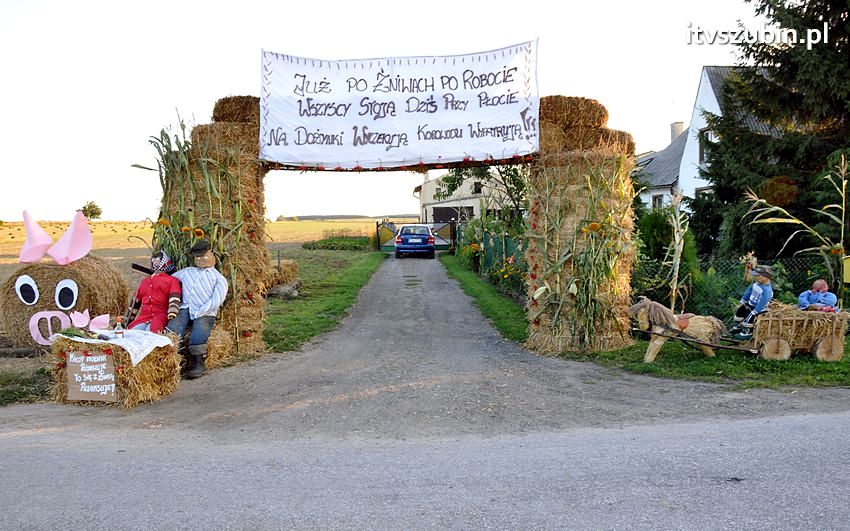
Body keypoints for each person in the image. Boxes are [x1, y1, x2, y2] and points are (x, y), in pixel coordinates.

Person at [166, 240, 228, 379]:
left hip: (205, 309)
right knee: (173, 329)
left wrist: (202, 311)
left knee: (199, 332)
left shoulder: (218, 278)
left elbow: (217, 299)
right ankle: (172, 361)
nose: (200, 259)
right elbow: (170, 280)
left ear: (210, 254)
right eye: (197, 257)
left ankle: (199, 364)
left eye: (202, 256)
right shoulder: (187, 272)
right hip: (186, 306)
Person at [126, 250, 182, 333]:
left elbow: (174, 296)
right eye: (153, 260)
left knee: (151, 334)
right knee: (132, 333)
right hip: (144, 317)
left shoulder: (171, 280)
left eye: (157, 260)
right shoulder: (145, 281)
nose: (155, 262)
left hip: (160, 316)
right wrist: (128, 319)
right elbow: (135, 302)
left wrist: (172, 310)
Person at [731, 264, 774, 338]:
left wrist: (756, 310)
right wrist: (743, 300)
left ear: (766, 277)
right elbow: (749, 291)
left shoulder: (767, 290)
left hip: (759, 308)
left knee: (750, 317)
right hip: (750, 303)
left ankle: (748, 332)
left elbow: (763, 302)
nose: (755, 277)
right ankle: (738, 326)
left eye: (758, 276)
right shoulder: (756, 284)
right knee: (740, 311)